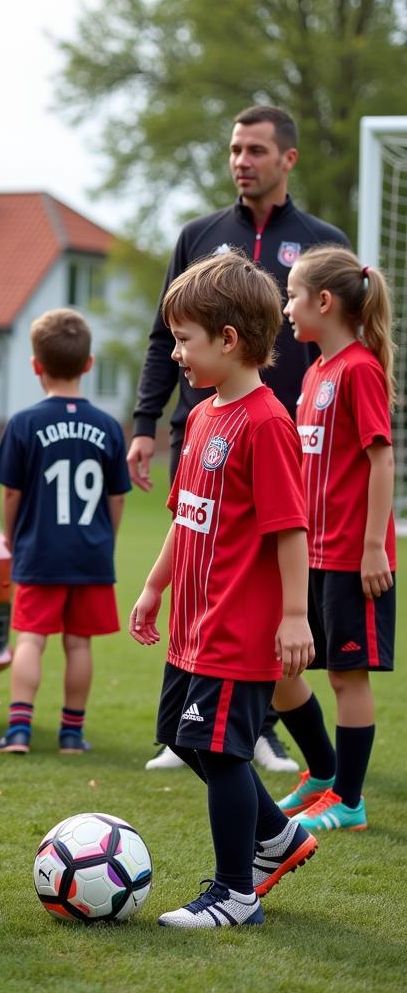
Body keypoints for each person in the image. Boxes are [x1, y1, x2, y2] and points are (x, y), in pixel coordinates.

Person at [130, 105, 349, 772]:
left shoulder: (319, 241)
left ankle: (266, 739)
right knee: (204, 573)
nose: (241, 161)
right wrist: (145, 425)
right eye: (234, 149)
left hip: (275, 449)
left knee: (262, 608)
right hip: (203, 435)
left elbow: (337, 348)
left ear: (288, 159)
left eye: (255, 149)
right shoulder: (200, 233)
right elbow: (164, 337)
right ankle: (204, 726)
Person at [129, 251, 318, 928]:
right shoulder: (205, 416)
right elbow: (188, 518)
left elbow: (290, 529)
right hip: (192, 624)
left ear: (229, 339)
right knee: (185, 740)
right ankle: (279, 836)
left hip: (237, 628)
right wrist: (154, 589)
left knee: (220, 748)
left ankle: (237, 892)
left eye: (184, 339)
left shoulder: (267, 423)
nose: (176, 353)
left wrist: (295, 616)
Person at [270, 247, 397, 832]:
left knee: (348, 676)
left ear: (324, 302)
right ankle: (322, 772)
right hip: (311, 552)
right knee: (280, 664)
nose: (286, 307)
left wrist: (374, 546)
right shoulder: (317, 371)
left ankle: (349, 802)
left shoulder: (360, 368)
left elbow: (381, 458)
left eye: (293, 295)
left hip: (352, 555)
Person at [0, 309, 130, 755]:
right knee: (78, 642)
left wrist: (11, 538)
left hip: (39, 551)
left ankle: (19, 731)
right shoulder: (108, 427)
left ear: (36, 365)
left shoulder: (24, 423)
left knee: (30, 638)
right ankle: (71, 734)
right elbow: (117, 498)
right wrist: (108, 539)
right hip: (90, 553)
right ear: (88, 364)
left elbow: (11, 495)